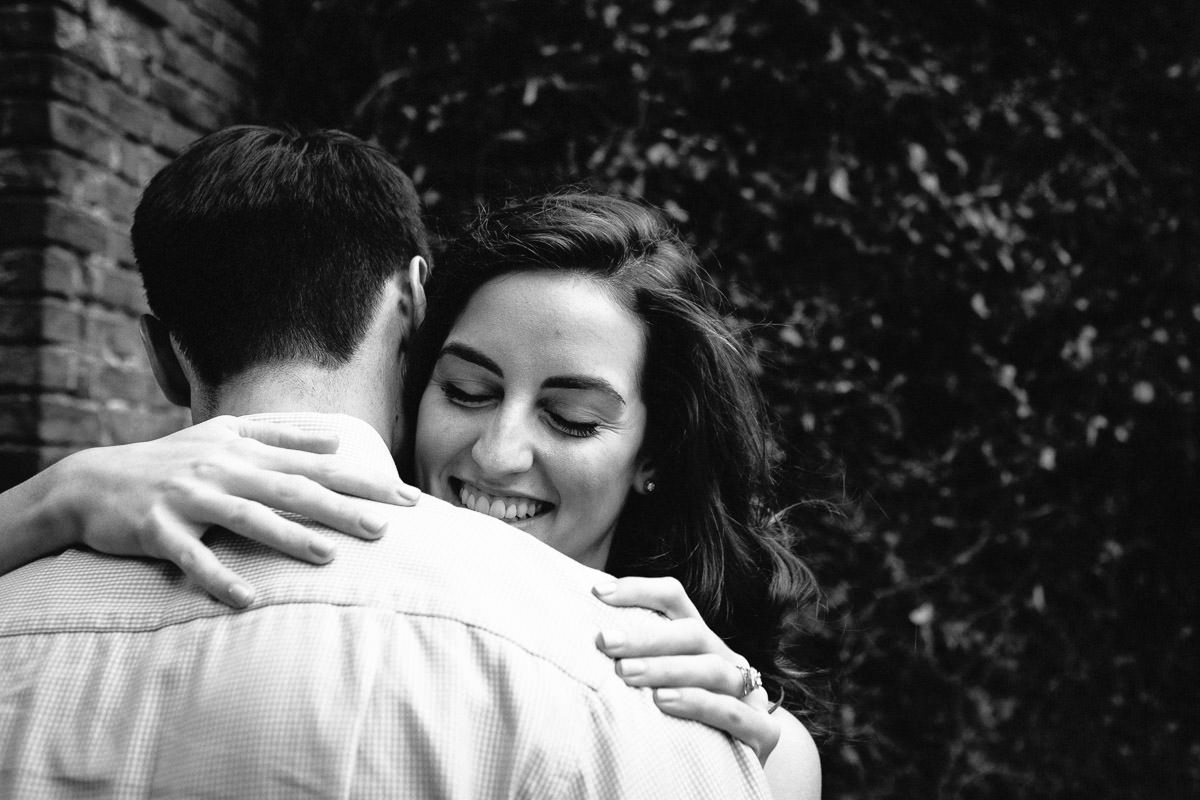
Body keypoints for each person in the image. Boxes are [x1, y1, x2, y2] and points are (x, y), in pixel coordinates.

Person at [0, 126, 774, 798]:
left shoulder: (674, 692)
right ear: (414, 311)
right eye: (468, 390)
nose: (499, 454)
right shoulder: (618, 713)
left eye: (570, 418)